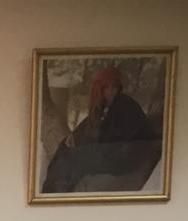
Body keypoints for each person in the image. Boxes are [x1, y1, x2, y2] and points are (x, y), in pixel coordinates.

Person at [41, 64, 161, 194]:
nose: (111, 91)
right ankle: (51, 192)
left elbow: (113, 138)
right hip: (111, 150)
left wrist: (84, 143)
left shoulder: (124, 105)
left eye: (114, 87)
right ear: (100, 89)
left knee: (78, 158)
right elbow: (91, 129)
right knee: (64, 151)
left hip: (123, 156)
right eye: (106, 87)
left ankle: (58, 192)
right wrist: (74, 138)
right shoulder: (103, 107)